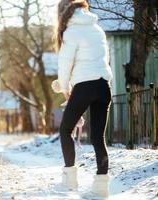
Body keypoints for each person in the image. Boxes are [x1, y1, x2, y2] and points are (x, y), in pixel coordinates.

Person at [53, 0, 113, 197]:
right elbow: (106, 60)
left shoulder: (71, 32)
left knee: (65, 130)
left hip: (84, 86)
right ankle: (101, 187)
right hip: (104, 86)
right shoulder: (98, 29)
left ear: (63, 13)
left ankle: (70, 181)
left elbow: (65, 64)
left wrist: (64, 87)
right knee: (98, 137)